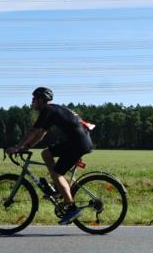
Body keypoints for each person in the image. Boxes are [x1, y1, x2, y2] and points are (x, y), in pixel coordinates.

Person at [6, 87, 93, 225]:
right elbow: (41, 134)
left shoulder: (47, 110)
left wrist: (17, 147)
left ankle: (72, 208)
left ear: (41, 99)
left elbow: (33, 130)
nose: (32, 101)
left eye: (34, 98)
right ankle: (59, 190)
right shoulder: (51, 111)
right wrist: (26, 147)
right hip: (78, 141)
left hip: (78, 143)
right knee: (46, 153)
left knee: (57, 174)